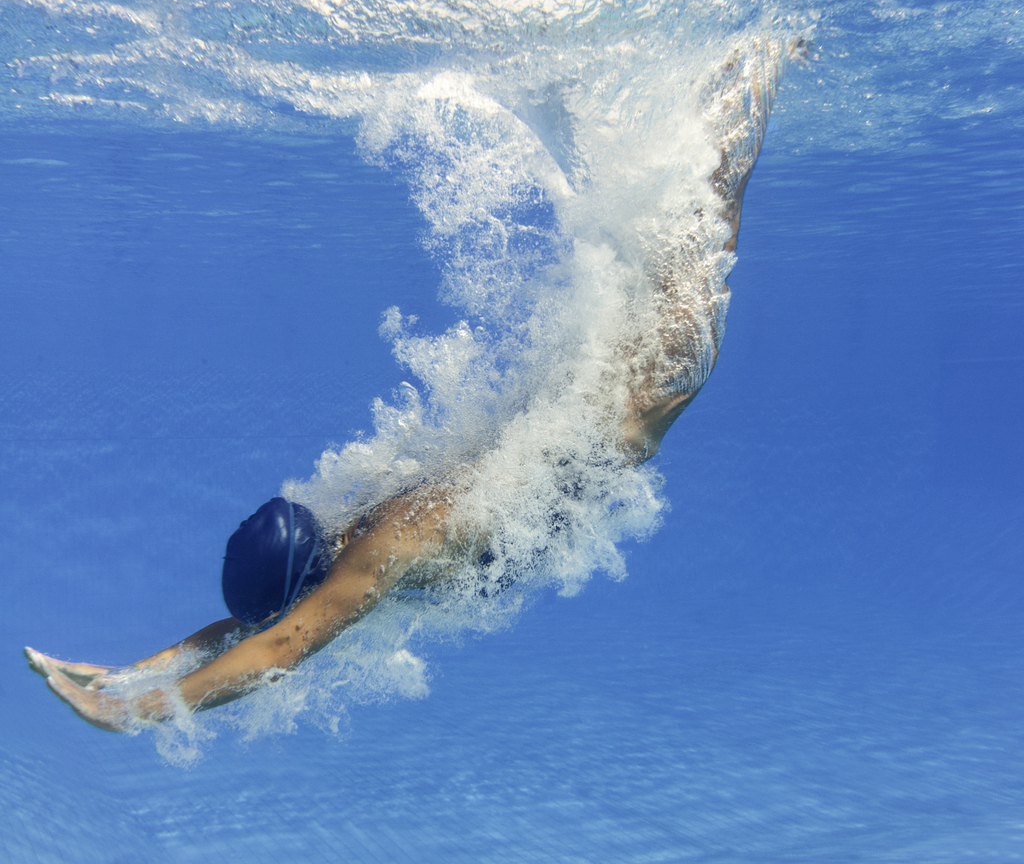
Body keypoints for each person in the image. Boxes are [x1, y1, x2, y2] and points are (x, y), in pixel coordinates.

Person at [26, 36, 804, 732]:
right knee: (699, 215)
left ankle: (756, 48)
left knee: (705, 213)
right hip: (629, 393)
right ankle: (745, 56)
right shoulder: (356, 550)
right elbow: (267, 637)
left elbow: (274, 635)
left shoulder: (371, 552)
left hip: (637, 397)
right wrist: (133, 691)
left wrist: (135, 693)